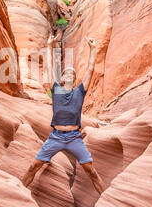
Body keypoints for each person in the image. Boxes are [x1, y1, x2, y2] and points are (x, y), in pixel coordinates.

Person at [21, 31, 105, 195]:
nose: (68, 74)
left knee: (91, 172)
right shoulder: (56, 89)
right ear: (62, 77)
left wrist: (93, 49)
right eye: (66, 72)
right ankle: (19, 193)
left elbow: (90, 69)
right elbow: (49, 67)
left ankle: (109, 200)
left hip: (74, 137)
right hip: (56, 137)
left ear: (74, 79)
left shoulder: (80, 91)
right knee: (33, 166)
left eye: (71, 74)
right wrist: (50, 45)